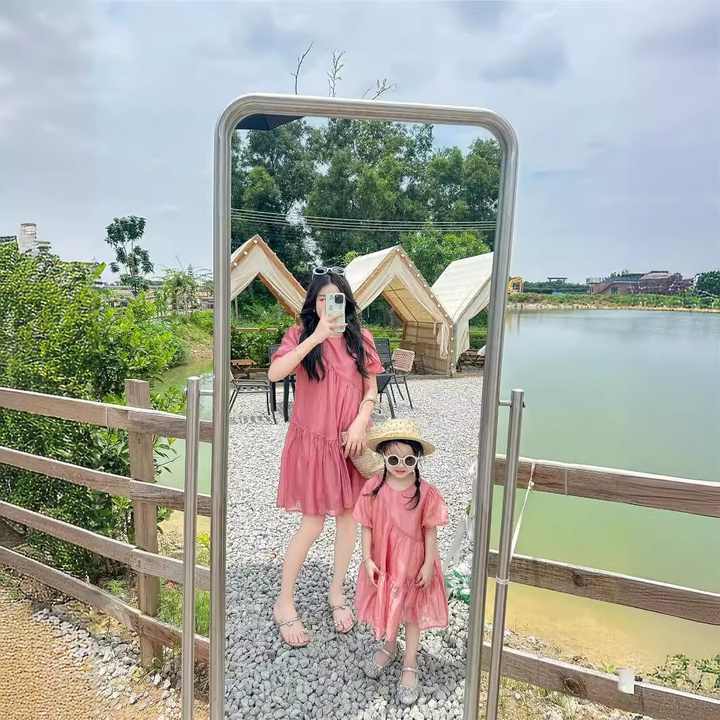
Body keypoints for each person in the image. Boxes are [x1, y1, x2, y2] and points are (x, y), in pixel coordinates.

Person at [269, 266, 384, 647]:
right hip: (314, 444)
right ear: (312, 303)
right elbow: (275, 373)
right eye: (320, 298)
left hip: (350, 443)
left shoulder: (361, 339)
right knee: (313, 523)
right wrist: (316, 336)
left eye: (334, 298)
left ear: (346, 302)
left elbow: (371, 390)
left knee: (348, 519)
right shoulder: (300, 335)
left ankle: (337, 593)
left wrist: (361, 421)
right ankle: (284, 602)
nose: (327, 304)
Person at [353, 419, 449, 706]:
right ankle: (389, 645)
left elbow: (430, 530)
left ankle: (410, 663)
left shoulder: (426, 492)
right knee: (390, 606)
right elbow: (366, 526)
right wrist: (367, 559)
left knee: (412, 613)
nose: (401, 465)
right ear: (383, 455)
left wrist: (429, 563)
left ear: (417, 458)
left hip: (413, 564)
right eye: (394, 459)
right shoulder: (373, 488)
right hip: (386, 563)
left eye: (409, 459)